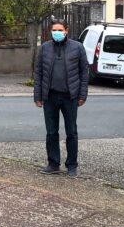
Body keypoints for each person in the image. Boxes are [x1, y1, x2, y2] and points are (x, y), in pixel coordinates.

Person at [33, 19, 89, 176]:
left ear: (66, 30)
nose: (56, 33)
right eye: (54, 30)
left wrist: (82, 94)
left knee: (71, 131)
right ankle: (53, 163)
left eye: (59, 30)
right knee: (51, 132)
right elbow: (38, 73)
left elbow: (84, 72)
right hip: (50, 96)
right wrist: (38, 95)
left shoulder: (77, 48)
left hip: (70, 96)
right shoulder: (44, 48)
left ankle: (72, 165)